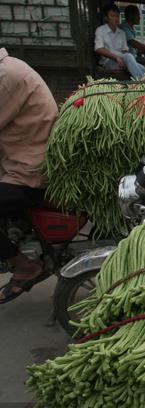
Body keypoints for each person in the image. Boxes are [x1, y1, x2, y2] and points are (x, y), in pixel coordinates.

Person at [0, 48, 58, 303]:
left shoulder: (6, 76)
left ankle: (24, 265)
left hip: (28, 170)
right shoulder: (10, 67)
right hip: (21, 160)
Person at [94, 4, 145, 79]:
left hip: (121, 60)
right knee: (133, 61)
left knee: (142, 67)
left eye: (117, 16)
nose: (116, 18)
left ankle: (140, 82)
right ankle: (143, 83)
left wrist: (125, 61)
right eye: (112, 16)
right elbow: (98, 49)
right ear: (106, 18)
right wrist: (116, 58)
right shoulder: (100, 30)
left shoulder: (122, 33)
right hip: (108, 61)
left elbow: (125, 51)